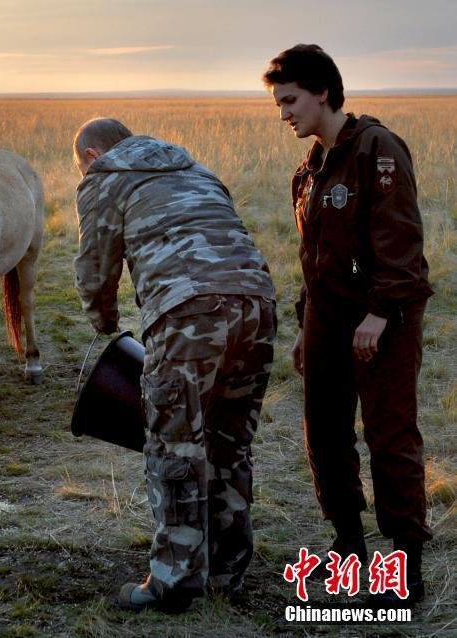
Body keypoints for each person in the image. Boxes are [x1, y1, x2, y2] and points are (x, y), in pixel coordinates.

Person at [73, 118, 277, 611]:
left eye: (81, 165)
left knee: (174, 446)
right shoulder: (196, 168)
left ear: (94, 154)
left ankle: (175, 582)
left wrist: (104, 320)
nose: (82, 173)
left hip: (189, 314)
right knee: (229, 442)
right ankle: (227, 573)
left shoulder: (104, 178)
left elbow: (95, 270)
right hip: (257, 305)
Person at [263, 44, 433, 607]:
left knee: (389, 433)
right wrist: (304, 326)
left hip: (383, 319)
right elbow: (314, 259)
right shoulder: (307, 170)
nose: (283, 113)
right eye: (278, 103)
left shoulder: (377, 150)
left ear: (323, 92)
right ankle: (348, 545)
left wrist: (380, 314)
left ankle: (405, 558)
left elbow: (402, 241)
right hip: (327, 319)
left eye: (290, 100)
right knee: (325, 432)